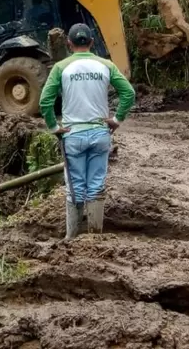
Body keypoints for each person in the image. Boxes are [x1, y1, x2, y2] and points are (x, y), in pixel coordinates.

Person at [38, 23, 135, 238]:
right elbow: (128, 93)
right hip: (100, 133)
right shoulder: (106, 65)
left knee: (75, 188)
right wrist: (116, 119)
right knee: (96, 186)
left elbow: (45, 101)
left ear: (69, 44)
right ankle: (95, 236)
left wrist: (55, 127)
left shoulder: (61, 68)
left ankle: (71, 238)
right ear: (91, 43)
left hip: (73, 134)